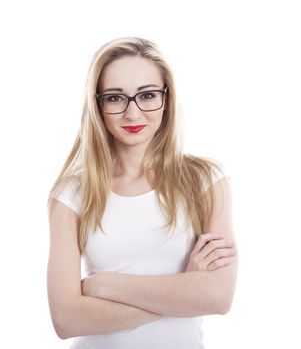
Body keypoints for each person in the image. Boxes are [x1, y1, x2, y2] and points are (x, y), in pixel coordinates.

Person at [47, 36, 238, 349]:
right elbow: (66, 319)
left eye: (147, 95)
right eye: (115, 98)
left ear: (167, 98)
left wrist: (105, 285)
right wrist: (184, 291)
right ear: (98, 105)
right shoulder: (72, 195)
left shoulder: (205, 180)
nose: (132, 114)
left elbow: (217, 297)